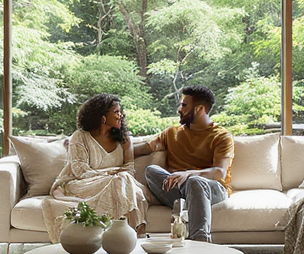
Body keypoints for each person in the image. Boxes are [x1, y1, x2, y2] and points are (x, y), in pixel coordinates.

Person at [41, 94, 153, 242]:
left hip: (119, 182)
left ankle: (127, 237)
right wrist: (111, 173)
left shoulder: (124, 138)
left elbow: (129, 169)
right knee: (121, 182)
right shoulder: (80, 137)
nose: (121, 115)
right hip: (81, 183)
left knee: (126, 183)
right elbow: (80, 171)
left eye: (120, 112)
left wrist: (115, 176)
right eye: (116, 112)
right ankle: (130, 236)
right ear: (103, 117)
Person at [141, 85, 234, 245]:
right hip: (180, 188)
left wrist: (188, 174)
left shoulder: (221, 136)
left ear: (199, 109)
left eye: (184, 105)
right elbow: (146, 148)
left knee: (195, 182)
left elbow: (220, 172)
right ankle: (184, 202)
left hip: (211, 188)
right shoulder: (172, 133)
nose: (179, 109)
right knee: (151, 171)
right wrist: (116, 145)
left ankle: (200, 242)